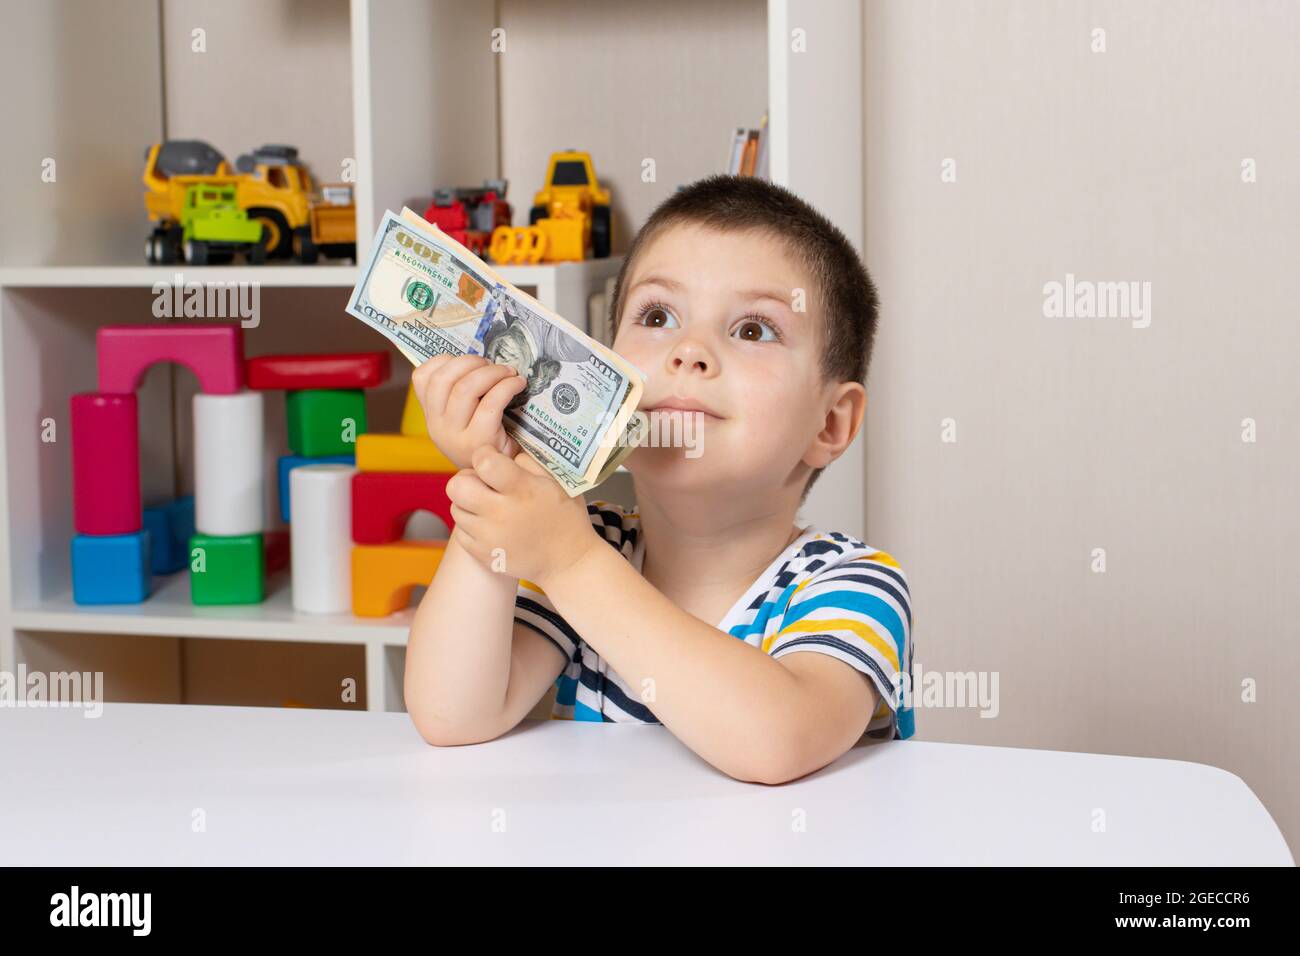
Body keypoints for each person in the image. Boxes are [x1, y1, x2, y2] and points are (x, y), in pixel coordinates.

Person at [404, 175, 913, 785]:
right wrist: (493, 477)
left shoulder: (854, 585)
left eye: (753, 329)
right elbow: (453, 715)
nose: (688, 351)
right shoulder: (595, 539)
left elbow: (777, 741)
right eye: (657, 315)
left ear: (830, 423)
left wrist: (570, 564)